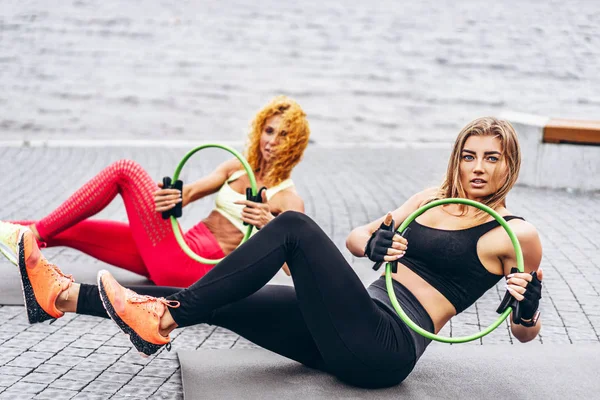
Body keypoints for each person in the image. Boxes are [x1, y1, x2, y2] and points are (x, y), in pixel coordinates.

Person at [7, 117, 543, 389]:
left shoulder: (517, 234)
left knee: (292, 226)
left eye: (490, 159)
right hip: (355, 316)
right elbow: (358, 240)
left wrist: (526, 308)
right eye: (469, 155)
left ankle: (164, 318)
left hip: (387, 347)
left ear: (507, 165)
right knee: (223, 295)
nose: (477, 167)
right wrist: (376, 241)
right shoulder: (431, 197)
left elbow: (524, 332)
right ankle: (62, 296)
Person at [0, 95, 310, 287]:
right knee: (74, 230)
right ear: (259, 131)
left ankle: (28, 235)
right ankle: (15, 233)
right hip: (179, 247)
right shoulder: (236, 167)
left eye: (283, 135)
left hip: (196, 270)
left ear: (293, 144)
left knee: (126, 171)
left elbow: (292, 268)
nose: (272, 141)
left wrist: (266, 225)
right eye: (269, 131)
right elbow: (185, 195)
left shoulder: (287, 197)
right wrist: (170, 198)